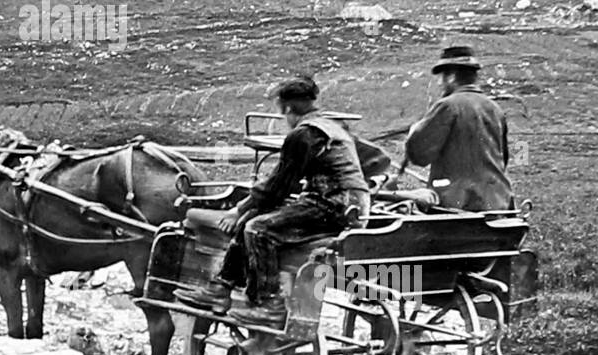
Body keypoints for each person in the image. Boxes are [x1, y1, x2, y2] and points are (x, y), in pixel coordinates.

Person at [178, 75, 370, 325]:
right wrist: (251, 208)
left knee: (258, 229)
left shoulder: (304, 135)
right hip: (352, 205)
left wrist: (239, 209)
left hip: (332, 206)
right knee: (257, 217)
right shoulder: (332, 126)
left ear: (287, 108)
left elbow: (277, 186)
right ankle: (221, 287)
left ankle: (269, 305)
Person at [392, 46, 513, 210]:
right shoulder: (495, 108)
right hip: (499, 202)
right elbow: (502, 159)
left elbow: (419, 156)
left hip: (459, 205)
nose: (440, 83)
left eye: (441, 77)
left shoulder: (447, 106)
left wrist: (414, 132)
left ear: (451, 77)